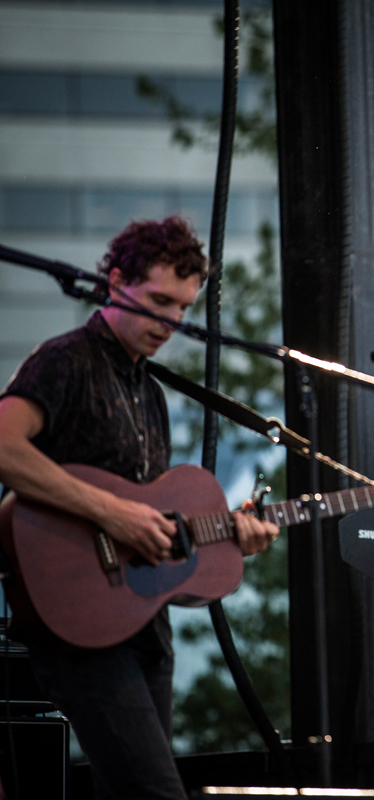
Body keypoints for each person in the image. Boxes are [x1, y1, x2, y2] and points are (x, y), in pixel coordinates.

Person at [0, 216, 278, 800]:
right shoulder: (64, 360)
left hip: (141, 622)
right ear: (116, 281)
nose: (172, 322)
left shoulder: (150, 389)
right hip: (75, 622)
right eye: (158, 302)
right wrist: (110, 513)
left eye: (182, 308)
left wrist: (231, 534)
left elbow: (151, 518)